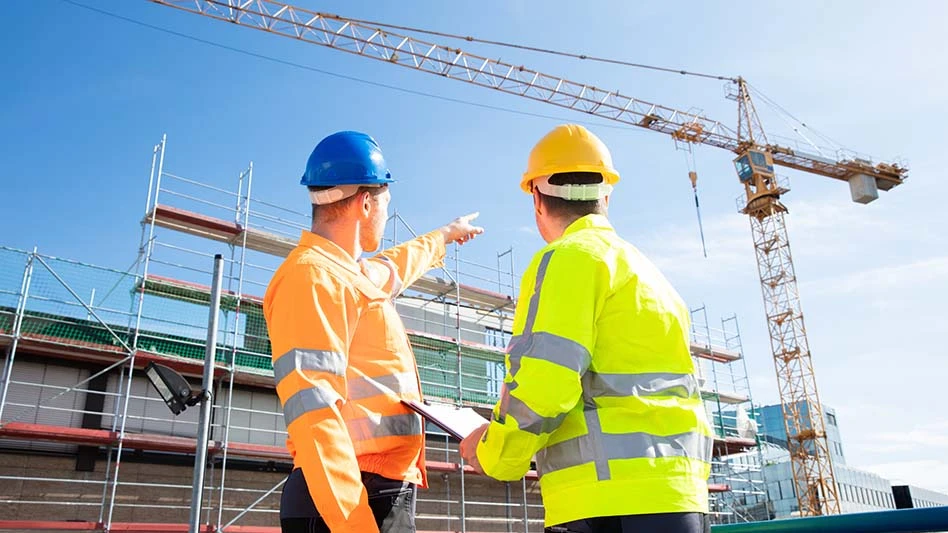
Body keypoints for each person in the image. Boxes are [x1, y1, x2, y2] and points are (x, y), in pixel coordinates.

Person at [459, 124, 713, 533]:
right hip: (681, 501)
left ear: (537, 200)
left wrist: (493, 452)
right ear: (606, 197)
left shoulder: (567, 258)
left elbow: (544, 388)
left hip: (603, 503)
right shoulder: (649, 274)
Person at [264, 130, 484, 533]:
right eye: (386, 202)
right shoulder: (312, 278)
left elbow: (398, 265)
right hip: (348, 501)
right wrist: (354, 525)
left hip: (377, 491)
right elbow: (315, 418)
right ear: (366, 203)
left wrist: (444, 236)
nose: (386, 214)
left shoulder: (351, 274)